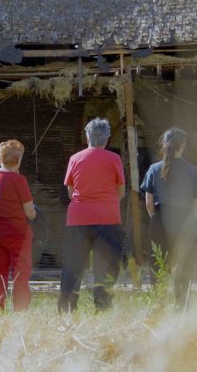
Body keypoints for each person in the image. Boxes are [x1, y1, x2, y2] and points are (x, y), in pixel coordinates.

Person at [57, 117, 126, 313]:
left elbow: (71, 193)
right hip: (108, 219)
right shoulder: (114, 159)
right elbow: (120, 192)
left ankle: (67, 309)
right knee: (105, 267)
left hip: (78, 218)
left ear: (87, 137)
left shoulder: (75, 159)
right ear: (107, 139)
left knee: (73, 265)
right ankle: (102, 308)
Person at [140, 127, 197, 305]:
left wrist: (156, 219)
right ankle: (182, 303)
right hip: (185, 222)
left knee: (158, 265)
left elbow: (148, 204)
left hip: (160, 220)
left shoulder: (153, 169)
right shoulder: (192, 170)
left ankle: (160, 303)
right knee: (184, 264)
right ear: (183, 145)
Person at [0, 139, 37, 311]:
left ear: (0, 158)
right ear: (19, 160)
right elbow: (29, 211)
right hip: (17, 235)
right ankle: (20, 309)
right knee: (20, 273)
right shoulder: (19, 180)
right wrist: (35, 213)